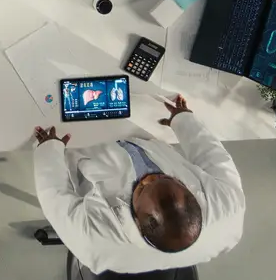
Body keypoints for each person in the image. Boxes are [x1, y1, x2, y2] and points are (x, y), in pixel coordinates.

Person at [33, 95, 244, 275]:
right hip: (148, 144)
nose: (148, 177)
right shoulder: (228, 208)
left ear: (135, 218)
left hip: (94, 155)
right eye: (164, 178)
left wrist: (49, 147)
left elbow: (54, 195)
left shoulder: (95, 240)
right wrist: (182, 119)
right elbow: (210, 153)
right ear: (191, 192)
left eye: (141, 188)